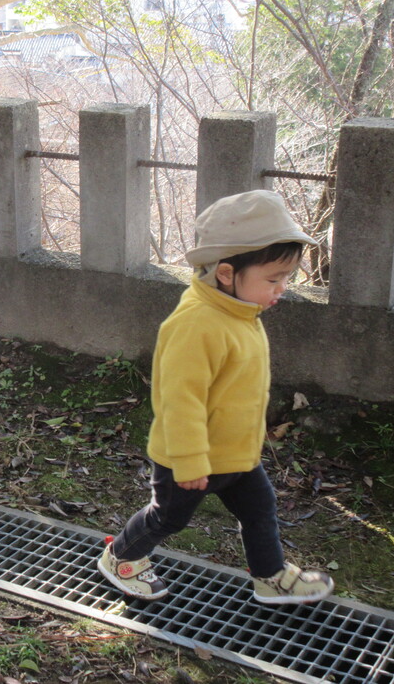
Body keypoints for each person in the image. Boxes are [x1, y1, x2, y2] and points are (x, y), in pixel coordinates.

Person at [97, 189, 334, 605]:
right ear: (226, 273)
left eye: (287, 278)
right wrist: (189, 459)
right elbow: (180, 399)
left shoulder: (239, 311)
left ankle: (270, 576)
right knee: (168, 517)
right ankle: (120, 558)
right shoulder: (197, 323)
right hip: (188, 458)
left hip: (236, 453)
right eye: (274, 279)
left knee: (261, 510)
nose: (282, 289)